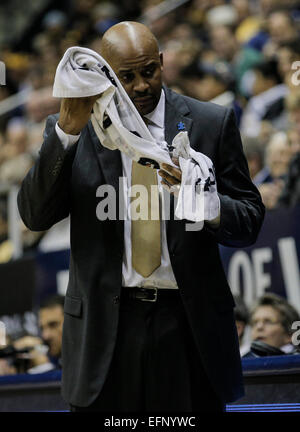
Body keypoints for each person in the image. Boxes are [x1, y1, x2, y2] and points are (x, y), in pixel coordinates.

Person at [17, 21, 265, 412]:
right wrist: (65, 132)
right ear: (106, 76)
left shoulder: (210, 123)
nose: (141, 85)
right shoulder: (77, 130)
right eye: (126, 76)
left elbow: (249, 220)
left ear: (163, 63)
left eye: (148, 71)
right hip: (105, 326)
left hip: (187, 325)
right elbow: (34, 215)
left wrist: (203, 198)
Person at [243, 293, 300, 358]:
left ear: (289, 335)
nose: (259, 327)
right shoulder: (243, 361)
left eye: (268, 322)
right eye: (254, 322)